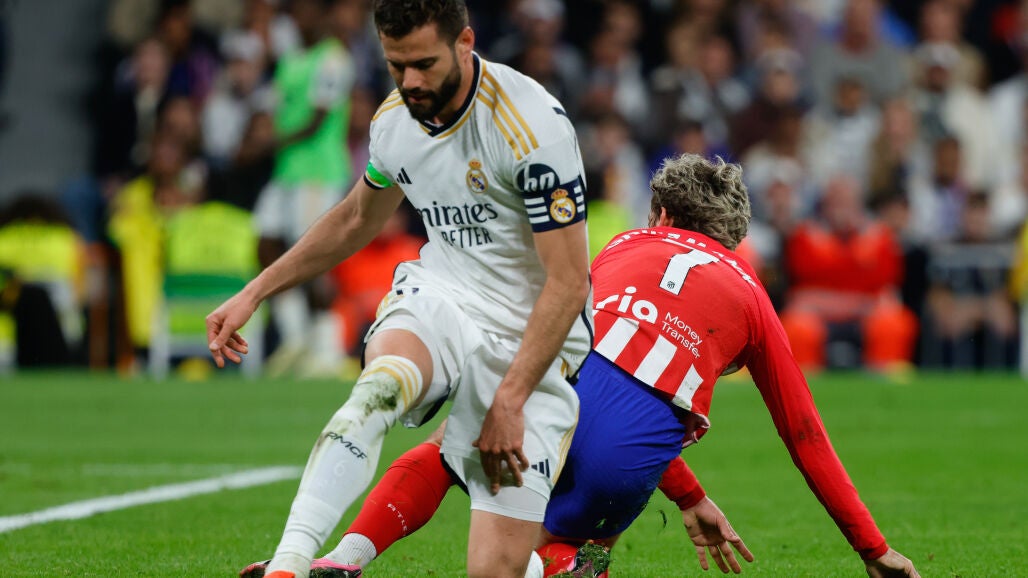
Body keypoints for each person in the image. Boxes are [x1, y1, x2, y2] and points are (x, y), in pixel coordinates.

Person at [268, 154, 921, 578]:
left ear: (662, 214)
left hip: (551, 403)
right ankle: (559, 563)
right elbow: (804, 435)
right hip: (620, 460)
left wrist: (690, 496)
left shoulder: (623, 244)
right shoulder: (751, 294)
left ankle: (345, 557)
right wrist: (874, 549)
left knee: (446, 452)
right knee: (576, 551)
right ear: (730, 239)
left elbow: (595, 370)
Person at [207, 1, 592, 577]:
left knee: (496, 571)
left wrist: (510, 398)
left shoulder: (532, 127)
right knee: (379, 389)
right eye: (395, 65)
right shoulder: (394, 122)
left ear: (465, 42)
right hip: (444, 294)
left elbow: (568, 281)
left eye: (424, 64)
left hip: (532, 332)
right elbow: (355, 218)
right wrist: (254, 292)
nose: (410, 81)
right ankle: (290, 564)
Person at [253, 0, 355, 377]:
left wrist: (270, 142)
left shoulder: (333, 59)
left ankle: (327, 349)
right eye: (296, 11)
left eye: (309, 9)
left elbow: (318, 119)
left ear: (323, 14)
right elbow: (274, 105)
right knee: (265, 241)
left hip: (318, 173)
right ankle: (295, 337)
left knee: (313, 258)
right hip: (287, 172)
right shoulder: (290, 59)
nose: (301, 17)